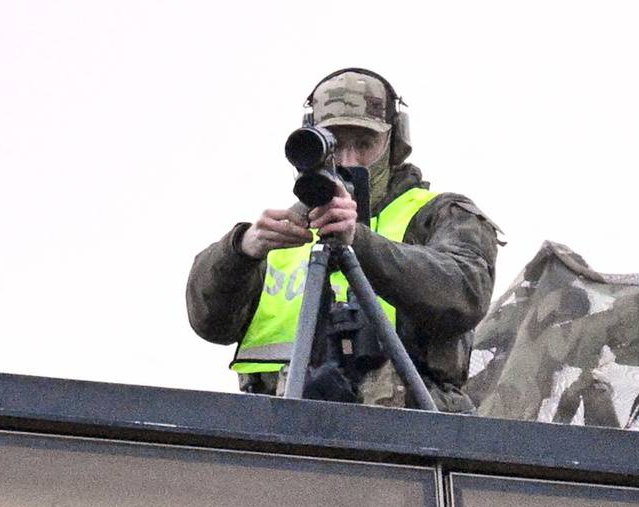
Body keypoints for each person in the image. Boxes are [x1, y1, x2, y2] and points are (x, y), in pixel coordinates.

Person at [185, 69, 502, 413]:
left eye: (364, 144)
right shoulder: (278, 234)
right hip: (283, 440)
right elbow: (209, 320)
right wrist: (241, 250)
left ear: (394, 143)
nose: (348, 160)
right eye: (334, 143)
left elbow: (465, 291)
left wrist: (360, 243)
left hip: (409, 437)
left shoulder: (437, 214)